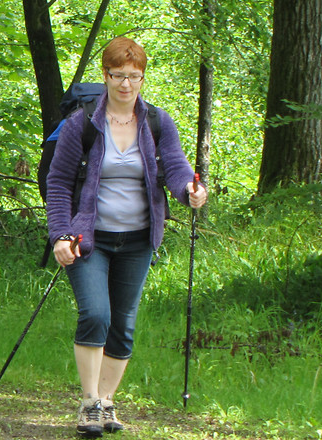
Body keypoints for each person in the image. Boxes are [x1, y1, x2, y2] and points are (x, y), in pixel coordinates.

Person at [45, 37, 208, 438]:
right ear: (105, 76)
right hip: (89, 239)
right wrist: (60, 235)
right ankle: (88, 403)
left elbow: (174, 166)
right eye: (118, 76)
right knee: (96, 314)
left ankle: (106, 401)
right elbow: (59, 182)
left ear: (142, 78)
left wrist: (190, 189)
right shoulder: (82, 123)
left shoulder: (157, 122)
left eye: (134, 77)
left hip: (138, 239)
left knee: (123, 324)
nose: (125, 85)